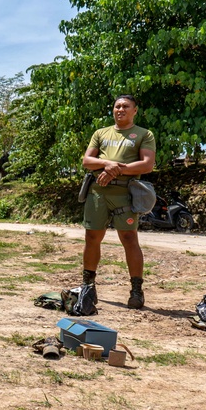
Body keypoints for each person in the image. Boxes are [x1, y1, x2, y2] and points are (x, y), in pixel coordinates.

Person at [80, 95, 156, 309]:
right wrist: (108, 163)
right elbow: (87, 161)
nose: (120, 109)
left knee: (130, 239)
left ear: (135, 111)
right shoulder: (100, 133)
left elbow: (146, 165)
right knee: (92, 237)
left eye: (126, 106)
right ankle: (88, 286)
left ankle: (136, 290)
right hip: (98, 192)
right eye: (117, 106)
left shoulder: (144, 134)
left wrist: (115, 170)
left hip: (126, 194)